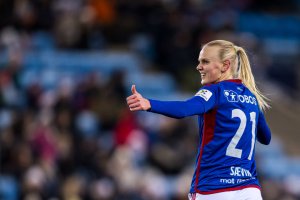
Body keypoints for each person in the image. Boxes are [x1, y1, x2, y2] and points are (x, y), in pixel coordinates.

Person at [126, 40, 271, 200]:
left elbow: (184, 109)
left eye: (205, 62)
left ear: (225, 65)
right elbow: (266, 137)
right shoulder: (251, 97)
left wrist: (149, 103)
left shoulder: (214, 91)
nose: (199, 67)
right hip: (249, 189)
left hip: (214, 188)